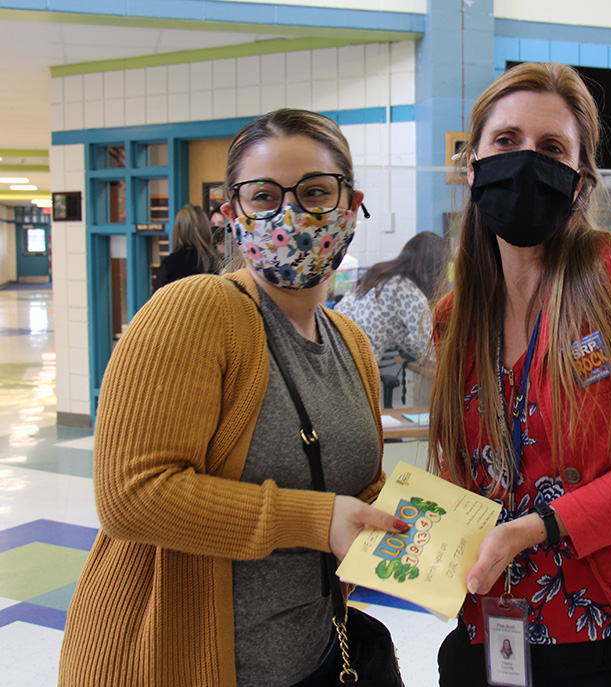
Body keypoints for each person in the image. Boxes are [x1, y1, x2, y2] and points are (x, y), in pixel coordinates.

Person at [59, 108, 407, 687]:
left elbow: (351, 490)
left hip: (315, 656)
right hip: (187, 662)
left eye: (317, 192)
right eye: (265, 196)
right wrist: (317, 521)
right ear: (231, 214)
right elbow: (131, 495)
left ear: (351, 206)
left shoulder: (352, 344)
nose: (292, 213)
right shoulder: (197, 309)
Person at [429, 62, 611, 687]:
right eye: (506, 141)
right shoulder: (455, 318)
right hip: (487, 631)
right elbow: (461, 469)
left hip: (610, 636)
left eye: (551, 148)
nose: (526, 159)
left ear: (579, 179)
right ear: (472, 165)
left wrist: (538, 527)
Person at [335, 230, 447, 363]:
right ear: (433, 268)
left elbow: (401, 335)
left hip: (334, 339)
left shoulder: (379, 273)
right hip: (355, 359)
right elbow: (430, 351)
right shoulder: (408, 291)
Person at [153, 203, 220, 291]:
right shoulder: (214, 261)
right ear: (205, 228)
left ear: (178, 230)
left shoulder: (169, 264)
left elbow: (158, 300)